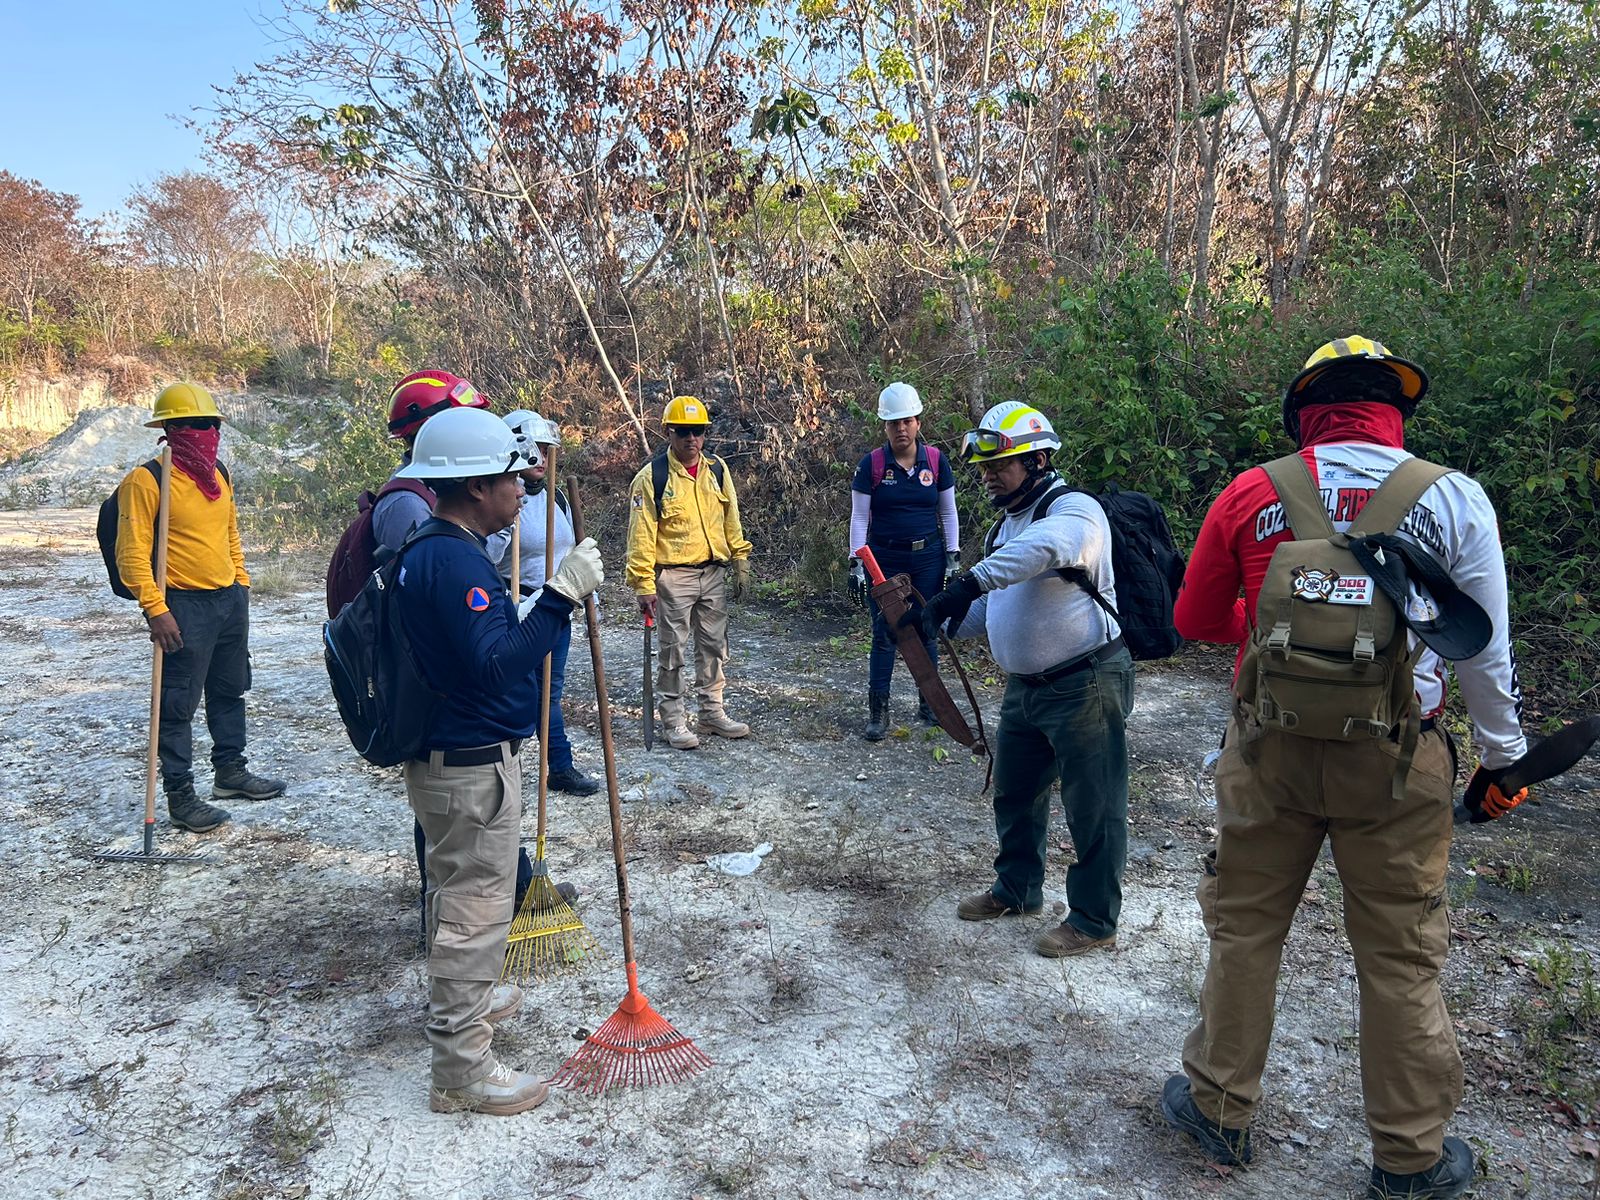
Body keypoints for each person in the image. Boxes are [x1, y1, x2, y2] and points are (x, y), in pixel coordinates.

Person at [1159, 337, 1526, 1200]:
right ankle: (1409, 1159)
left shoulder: (1254, 492)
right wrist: (1504, 761)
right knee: (1399, 957)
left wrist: (1274, 618)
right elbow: (1486, 655)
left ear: (1307, 411)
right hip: (1398, 765)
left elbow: (1194, 617)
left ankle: (1218, 1108)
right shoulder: (1455, 499)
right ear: (1395, 410)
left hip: (1269, 752)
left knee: (1246, 928)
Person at [391, 405, 605, 1116]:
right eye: (513, 479)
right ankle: (462, 1070)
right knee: (474, 915)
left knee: (460, 900)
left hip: (451, 759)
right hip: (469, 765)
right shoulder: (453, 560)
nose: (524, 489)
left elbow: (471, 648)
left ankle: (467, 998)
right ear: (476, 486)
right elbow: (495, 666)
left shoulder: (434, 547)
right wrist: (560, 599)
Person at [912, 401, 1133, 958]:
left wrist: (968, 581)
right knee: (1015, 794)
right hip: (1026, 689)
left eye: (999, 464)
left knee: (1094, 804)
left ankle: (1092, 918)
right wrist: (936, 617)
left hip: (1084, 682)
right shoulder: (1004, 527)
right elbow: (993, 611)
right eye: (983, 467)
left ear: (1036, 460)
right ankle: (1017, 890)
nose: (988, 475)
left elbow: (1047, 550)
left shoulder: (1074, 511)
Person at [114, 382, 284, 833]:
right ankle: (180, 795)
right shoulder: (148, 480)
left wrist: (241, 584)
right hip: (182, 604)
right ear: (170, 430)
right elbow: (131, 553)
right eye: (193, 425)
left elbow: (230, 535)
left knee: (230, 689)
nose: (205, 431)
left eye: (211, 424)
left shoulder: (218, 474)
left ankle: (230, 772)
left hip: (228, 598)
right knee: (176, 703)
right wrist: (154, 608)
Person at [624, 395, 754, 750]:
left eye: (697, 431)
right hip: (672, 578)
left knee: (713, 646)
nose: (691, 439)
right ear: (669, 432)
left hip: (712, 573)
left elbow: (731, 519)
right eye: (683, 432)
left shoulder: (717, 470)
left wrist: (740, 560)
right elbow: (641, 535)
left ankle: (712, 713)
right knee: (673, 651)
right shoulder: (651, 478)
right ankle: (674, 719)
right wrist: (643, 584)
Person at [492, 410, 599, 795]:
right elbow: (484, 556)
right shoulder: (500, 498)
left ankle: (560, 766)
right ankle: (503, 768)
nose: (540, 456)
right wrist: (505, 525)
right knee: (515, 692)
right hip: (518, 608)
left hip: (557, 609)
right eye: (532, 447)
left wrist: (590, 598)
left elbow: (570, 555)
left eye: (545, 448)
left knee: (549, 693)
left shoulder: (557, 497)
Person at [848, 382, 960, 740]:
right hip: (884, 559)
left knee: (928, 628)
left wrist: (953, 557)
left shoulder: (937, 461)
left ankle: (931, 706)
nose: (901, 428)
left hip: (928, 558)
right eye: (893, 422)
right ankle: (878, 712)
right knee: (884, 635)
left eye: (907, 421)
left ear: (918, 422)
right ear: (885, 426)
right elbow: (859, 518)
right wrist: (856, 563)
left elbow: (949, 511)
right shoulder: (874, 464)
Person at [372, 369, 492, 555]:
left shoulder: (445, 483)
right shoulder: (407, 504)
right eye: (464, 424)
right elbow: (441, 572)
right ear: (428, 432)